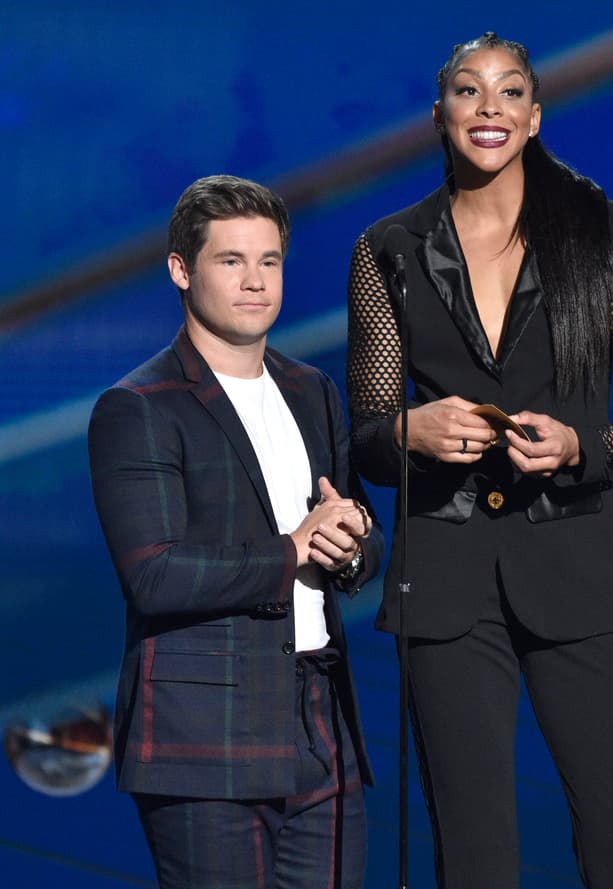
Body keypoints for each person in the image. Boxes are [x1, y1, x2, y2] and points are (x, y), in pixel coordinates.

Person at [346, 33, 613, 889]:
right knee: (473, 850)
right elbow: (368, 436)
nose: (488, 108)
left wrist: (582, 446)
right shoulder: (387, 249)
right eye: (468, 91)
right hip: (446, 579)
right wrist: (409, 433)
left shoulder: (612, 236)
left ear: (535, 116)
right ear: (439, 116)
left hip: (578, 564)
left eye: (508, 93)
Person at [89, 174, 383, 889]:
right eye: (231, 261)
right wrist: (294, 549)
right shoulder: (139, 406)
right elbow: (154, 574)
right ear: (181, 269)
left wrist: (350, 547)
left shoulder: (313, 390)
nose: (255, 281)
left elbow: (360, 536)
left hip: (320, 717)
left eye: (270, 261)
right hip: (204, 730)